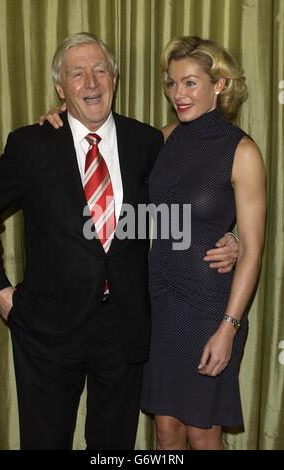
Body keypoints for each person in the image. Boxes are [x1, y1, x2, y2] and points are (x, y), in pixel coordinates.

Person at [0, 32, 238, 450]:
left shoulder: (148, 142)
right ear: (60, 87)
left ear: (115, 78)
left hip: (125, 329)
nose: (91, 82)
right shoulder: (31, 144)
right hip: (46, 329)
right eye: (77, 74)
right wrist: (0, 290)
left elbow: (199, 190)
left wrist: (230, 235)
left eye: (100, 70)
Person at [139, 36, 266, 450]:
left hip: (210, 305)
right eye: (172, 84)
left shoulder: (242, 151)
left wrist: (228, 328)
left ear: (220, 85)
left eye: (191, 83)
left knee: (202, 430)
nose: (179, 94)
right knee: (166, 431)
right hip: (161, 300)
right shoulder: (161, 140)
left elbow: (251, 249)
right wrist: (60, 116)